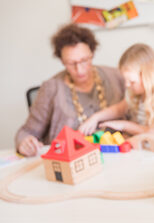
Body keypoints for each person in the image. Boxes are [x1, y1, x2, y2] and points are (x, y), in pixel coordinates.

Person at [15, 24, 125, 157]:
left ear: (92, 53)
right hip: (70, 160)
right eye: (71, 63)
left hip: (117, 157)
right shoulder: (51, 88)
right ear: (62, 61)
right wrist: (24, 143)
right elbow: (26, 132)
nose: (79, 69)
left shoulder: (117, 77)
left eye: (84, 60)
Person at [79, 43, 154, 141]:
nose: (127, 85)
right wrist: (95, 118)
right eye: (126, 80)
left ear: (148, 76)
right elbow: (119, 109)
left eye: (132, 81)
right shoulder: (136, 93)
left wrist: (124, 126)